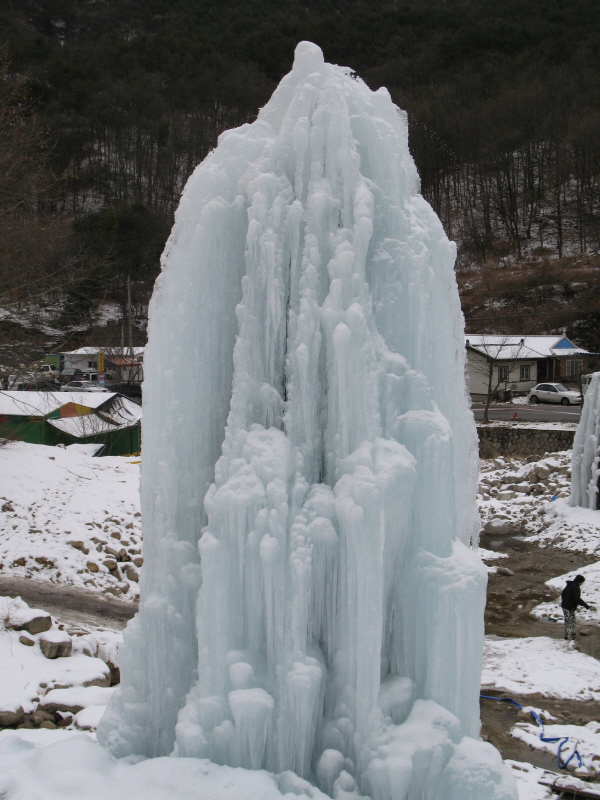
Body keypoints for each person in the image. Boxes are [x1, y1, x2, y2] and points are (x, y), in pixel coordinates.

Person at [561, 574, 591, 640]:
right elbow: (577, 599)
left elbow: (563, 594)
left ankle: (570, 633)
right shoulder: (576, 588)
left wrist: (564, 601)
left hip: (565, 605)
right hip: (569, 607)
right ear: (579, 582)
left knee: (571, 620)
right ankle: (568, 636)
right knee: (569, 621)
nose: (581, 584)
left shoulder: (569, 585)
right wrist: (585, 605)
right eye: (582, 582)